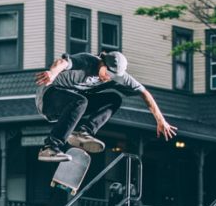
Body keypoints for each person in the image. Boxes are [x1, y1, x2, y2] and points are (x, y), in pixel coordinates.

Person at [34, 51, 178, 162]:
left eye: (113, 76)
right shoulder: (87, 61)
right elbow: (62, 62)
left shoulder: (120, 78)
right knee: (80, 101)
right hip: (49, 97)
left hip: (71, 106)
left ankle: (82, 132)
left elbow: (144, 93)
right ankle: (50, 147)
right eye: (107, 73)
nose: (107, 77)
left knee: (114, 99)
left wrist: (160, 120)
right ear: (102, 63)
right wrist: (52, 73)